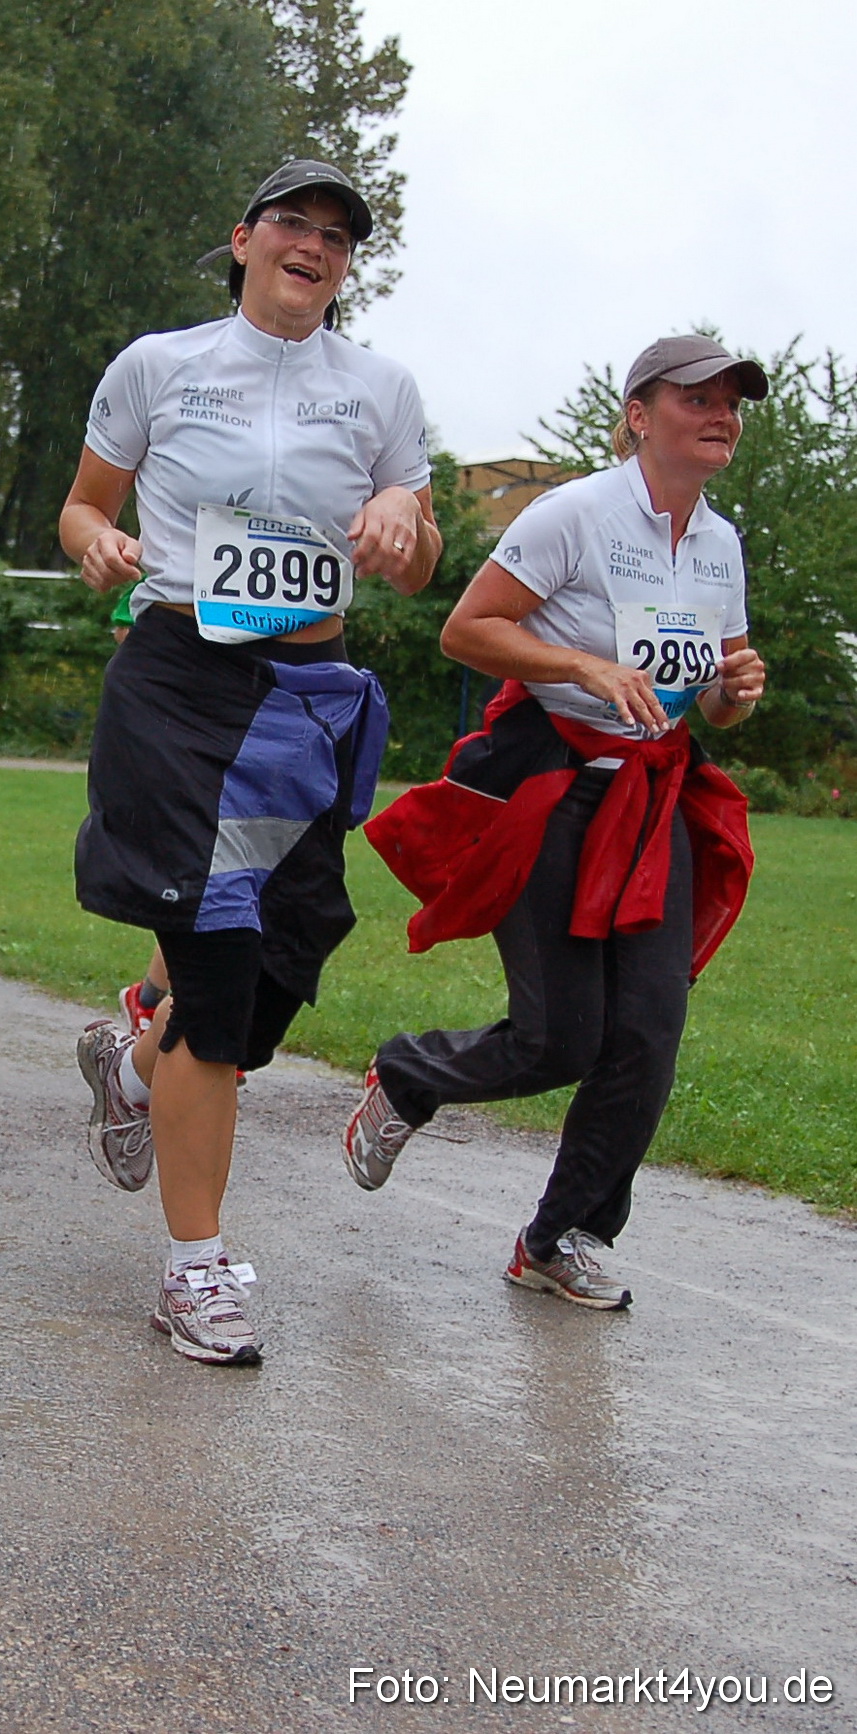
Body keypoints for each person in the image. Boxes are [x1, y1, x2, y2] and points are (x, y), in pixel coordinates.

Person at [60, 159, 442, 1364]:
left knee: (283, 960)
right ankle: (195, 1268)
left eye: (336, 235)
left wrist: (402, 526)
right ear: (243, 239)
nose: (314, 245)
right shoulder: (159, 366)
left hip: (305, 699)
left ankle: (133, 1057)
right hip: (180, 681)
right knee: (220, 977)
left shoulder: (379, 389)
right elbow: (79, 508)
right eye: (293, 223)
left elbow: (421, 557)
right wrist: (101, 542)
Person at [342, 335, 767, 1311]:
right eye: (695, 397)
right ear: (636, 414)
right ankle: (410, 1074)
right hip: (552, 790)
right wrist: (581, 667)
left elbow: (717, 704)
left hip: (650, 798)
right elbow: (467, 630)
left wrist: (737, 689)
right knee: (560, 1039)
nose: (719, 415)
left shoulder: (719, 542)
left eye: (731, 402)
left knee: (649, 1033)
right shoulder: (575, 512)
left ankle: (558, 1236)